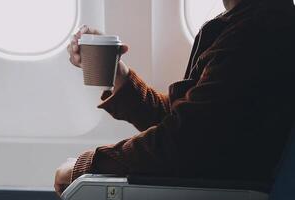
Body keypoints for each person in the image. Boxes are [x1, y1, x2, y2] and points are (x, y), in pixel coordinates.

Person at [55, 0, 295, 196]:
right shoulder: (238, 23)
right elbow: (181, 122)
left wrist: (86, 166)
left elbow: (183, 143)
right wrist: (118, 72)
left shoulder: (258, 30)